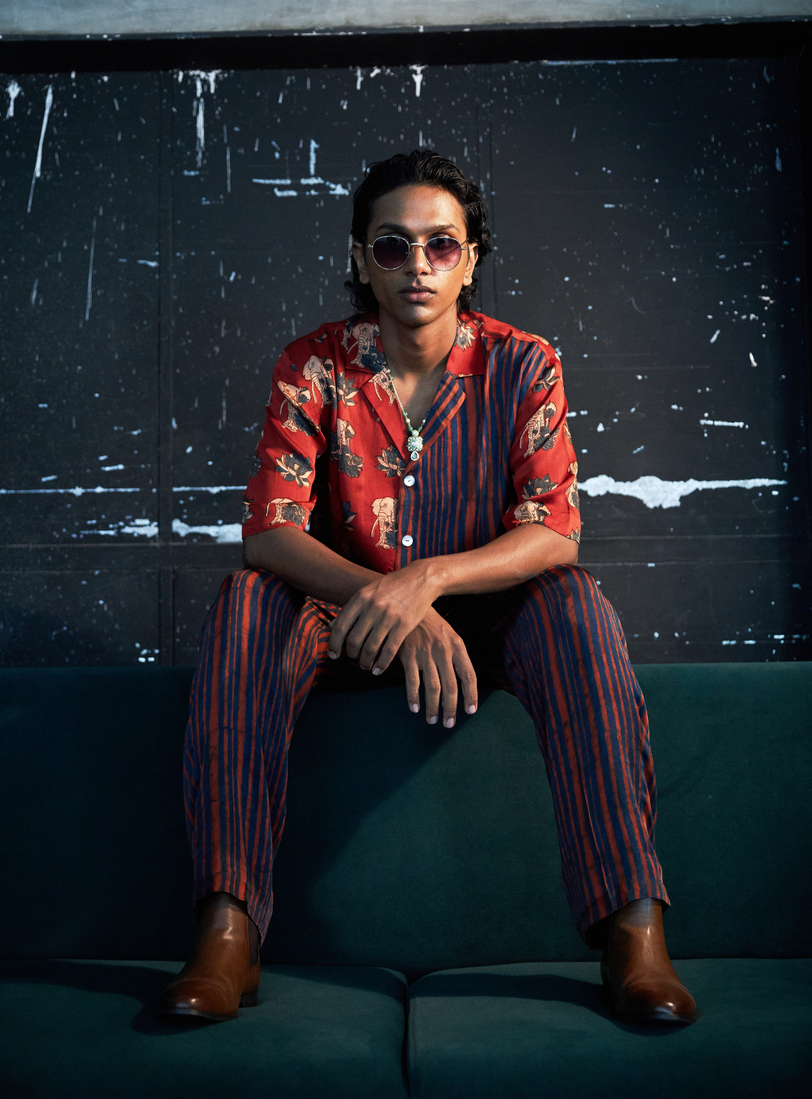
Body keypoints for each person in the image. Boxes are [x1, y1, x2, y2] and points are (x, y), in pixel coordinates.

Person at [155, 150, 697, 1026]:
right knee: (246, 602)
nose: (418, 265)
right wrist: (390, 605)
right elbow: (271, 530)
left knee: (576, 604)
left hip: (487, 623)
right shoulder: (314, 366)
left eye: (442, 244)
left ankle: (636, 935)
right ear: (361, 258)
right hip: (343, 622)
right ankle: (227, 934)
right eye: (393, 245)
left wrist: (426, 583)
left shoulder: (524, 363)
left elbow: (553, 529)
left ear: (471, 258)